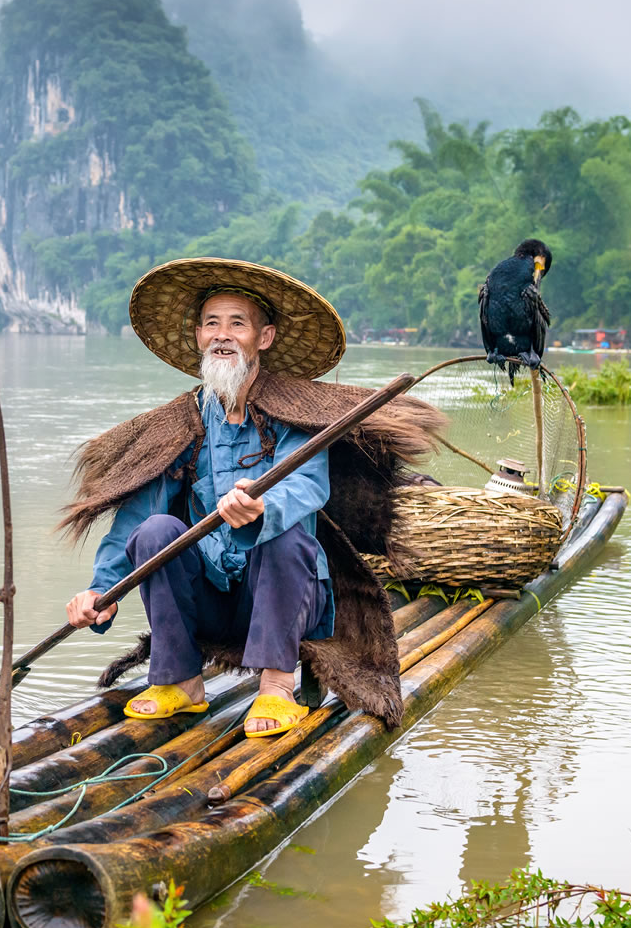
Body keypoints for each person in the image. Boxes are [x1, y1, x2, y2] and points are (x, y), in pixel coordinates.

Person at [60, 258, 447, 738]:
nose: (222, 335)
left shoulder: (293, 414)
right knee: (154, 532)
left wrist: (263, 509)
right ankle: (181, 682)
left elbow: (309, 485)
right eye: (211, 324)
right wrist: (101, 589)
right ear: (199, 337)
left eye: (237, 324)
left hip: (287, 603)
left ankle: (277, 686)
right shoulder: (184, 423)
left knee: (284, 539)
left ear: (263, 338)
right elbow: (139, 512)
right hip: (216, 603)